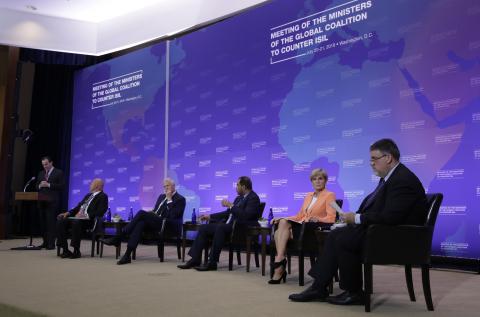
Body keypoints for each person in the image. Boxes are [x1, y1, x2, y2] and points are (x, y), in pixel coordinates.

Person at [288, 138, 428, 305]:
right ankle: (331, 289)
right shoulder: (390, 179)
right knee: (339, 234)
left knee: (342, 237)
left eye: (374, 159)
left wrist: (356, 218)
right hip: (386, 232)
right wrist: (353, 219)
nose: (371, 163)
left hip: (400, 239)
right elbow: (380, 211)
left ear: (388, 158)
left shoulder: (402, 180)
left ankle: (340, 290)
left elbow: (392, 217)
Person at [178, 176, 260, 271]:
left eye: (237, 185)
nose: (236, 187)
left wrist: (230, 205)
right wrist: (210, 216)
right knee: (204, 228)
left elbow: (246, 216)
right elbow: (227, 214)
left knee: (220, 227)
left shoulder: (253, 198)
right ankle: (195, 259)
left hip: (240, 228)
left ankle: (212, 262)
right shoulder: (238, 198)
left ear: (244, 187)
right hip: (228, 226)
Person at [269, 168, 336, 284]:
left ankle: (279, 265)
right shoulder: (308, 196)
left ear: (325, 181)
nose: (317, 181)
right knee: (283, 222)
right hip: (301, 227)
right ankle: (280, 259)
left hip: (312, 230)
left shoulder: (329, 195)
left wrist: (317, 219)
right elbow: (300, 216)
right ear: (312, 182)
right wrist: (282, 218)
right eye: (314, 179)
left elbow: (331, 218)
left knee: (277, 233)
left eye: (320, 178)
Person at [101, 178, 186, 265]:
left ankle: (118, 237)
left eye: (167, 186)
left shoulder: (180, 199)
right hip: (156, 222)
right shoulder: (161, 197)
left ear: (173, 186)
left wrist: (169, 200)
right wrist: (151, 213)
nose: (165, 188)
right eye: (164, 186)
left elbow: (173, 216)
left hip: (168, 225)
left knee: (141, 213)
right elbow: (156, 211)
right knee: (140, 224)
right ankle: (127, 255)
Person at [56, 178, 108, 259]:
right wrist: (68, 213)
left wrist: (86, 216)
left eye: (92, 183)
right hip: (78, 219)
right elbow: (78, 207)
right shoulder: (88, 195)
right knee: (61, 221)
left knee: (76, 222)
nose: (90, 185)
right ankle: (65, 250)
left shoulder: (103, 196)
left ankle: (76, 250)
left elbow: (100, 212)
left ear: (97, 186)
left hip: (89, 221)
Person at [36, 156, 65, 249]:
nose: (45, 166)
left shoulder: (59, 172)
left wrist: (49, 184)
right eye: (43, 164)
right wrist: (40, 185)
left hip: (52, 202)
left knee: (50, 223)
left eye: (46, 164)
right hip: (41, 201)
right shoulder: (41, 173)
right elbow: (36, 185)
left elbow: (62, 186)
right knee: (42, 223)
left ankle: (51, 244)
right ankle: (45, 242)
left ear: (51, 163)